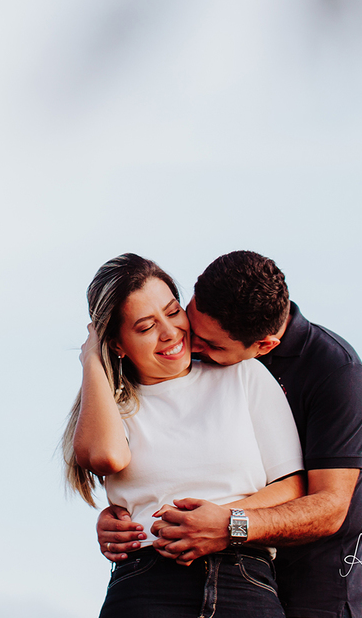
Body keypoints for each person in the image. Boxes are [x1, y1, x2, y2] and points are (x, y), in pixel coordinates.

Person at [95, 251, 362, 618]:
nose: (191, 346)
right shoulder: (210, 327)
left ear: (263, 349)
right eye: (189, 316)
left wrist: (224, 523)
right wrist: (131, 510)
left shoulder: (336, 374)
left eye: (211, 346)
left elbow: (330, 507)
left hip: (313, 573)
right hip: (194, 568)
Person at [64, 253, 306, 618]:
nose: (170, 332)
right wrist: (92, 360)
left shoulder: (244, 375)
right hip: (146, 585)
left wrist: (219, 520)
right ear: (117, 343)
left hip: (243, 580)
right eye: (146, 327)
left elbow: (291, 488)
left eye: (173, 311)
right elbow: (105, 457)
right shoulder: (114, 407)